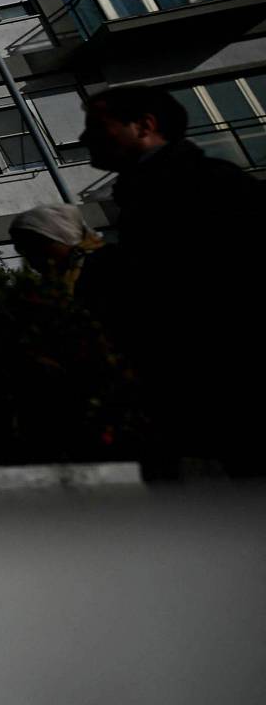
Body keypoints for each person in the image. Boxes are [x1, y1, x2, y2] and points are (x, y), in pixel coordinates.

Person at [77, 84, 266, 476]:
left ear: (145, 126)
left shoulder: (198, 187)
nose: (83, 138)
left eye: (98, 125)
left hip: (226, 389)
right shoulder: (157, 190)